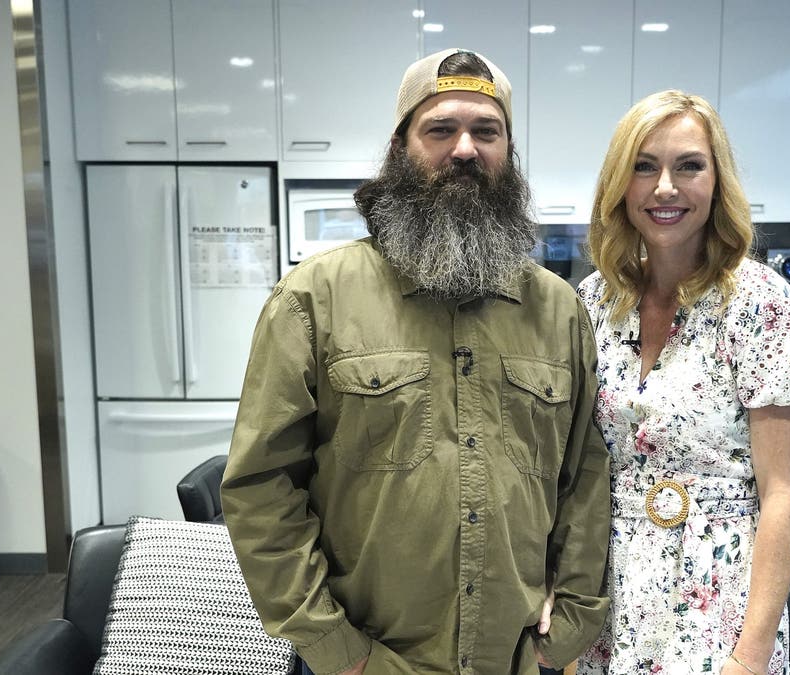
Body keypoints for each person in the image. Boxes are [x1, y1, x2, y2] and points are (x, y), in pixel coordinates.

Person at [221, 48, 611, 675]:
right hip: (367, 659)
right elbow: (260, 487)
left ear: (507, 153)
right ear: (401, 146)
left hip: (514, 659)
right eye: (440, 129)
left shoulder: (559, 310)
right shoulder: (314, 299)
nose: (465, 149)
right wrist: (333, 648)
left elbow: (583, 477)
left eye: (487, 131)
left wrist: (569, 621)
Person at [574, 90, 790, 674]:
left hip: (718, 598)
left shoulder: (761, 303)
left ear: (718, 180)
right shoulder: (594, 302)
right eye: (644, 166)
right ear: (620, 183)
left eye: (688, 165)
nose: (665, 187)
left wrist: (751, 656)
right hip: (609, 597)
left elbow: (784, 494)